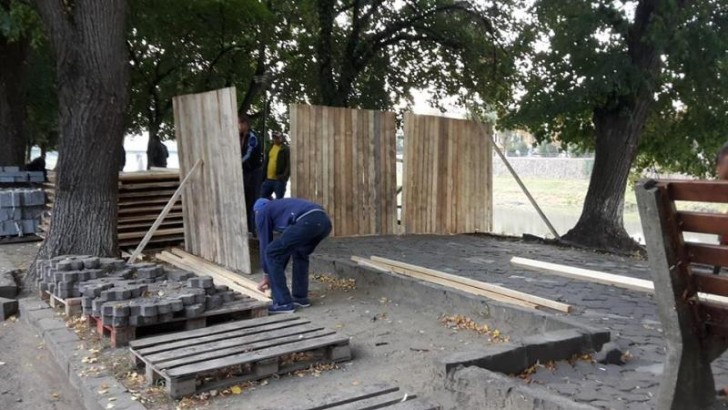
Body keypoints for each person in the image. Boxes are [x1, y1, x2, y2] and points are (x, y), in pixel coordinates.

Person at [254, 198, 332, 314]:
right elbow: (284, 252)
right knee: (300, 253)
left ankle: (283, 303)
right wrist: (273, 272)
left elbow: (265, 243)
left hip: (307, 221)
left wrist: (267, 274)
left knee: (271, 252)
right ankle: (300, 298)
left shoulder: (262, 211)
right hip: (324, 222)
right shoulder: (282, 209)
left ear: (256, 211)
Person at [239, 114, 264, 232]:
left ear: (245, 124)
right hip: (245, 171)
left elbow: (249, 154)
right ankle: (246, 226)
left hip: (253, 172)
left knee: (252, 200)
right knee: (244, 199)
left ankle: (253, 229)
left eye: (240, 123)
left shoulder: (252, 137)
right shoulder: (239, 136)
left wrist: (237, 163)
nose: (238, 126)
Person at [260, 131, 290, 200]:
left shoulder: (285, 149)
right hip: (268, 179)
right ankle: (271, 204)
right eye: (274, 138)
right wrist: (263, 176)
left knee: (279, 199)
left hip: (279, 179)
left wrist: (284, 176)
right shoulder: (270, 148)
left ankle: (275, 205)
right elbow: (266, 162)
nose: (275, 139)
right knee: (262, 198)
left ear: (281, 138)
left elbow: (288, 164)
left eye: (277, 138)